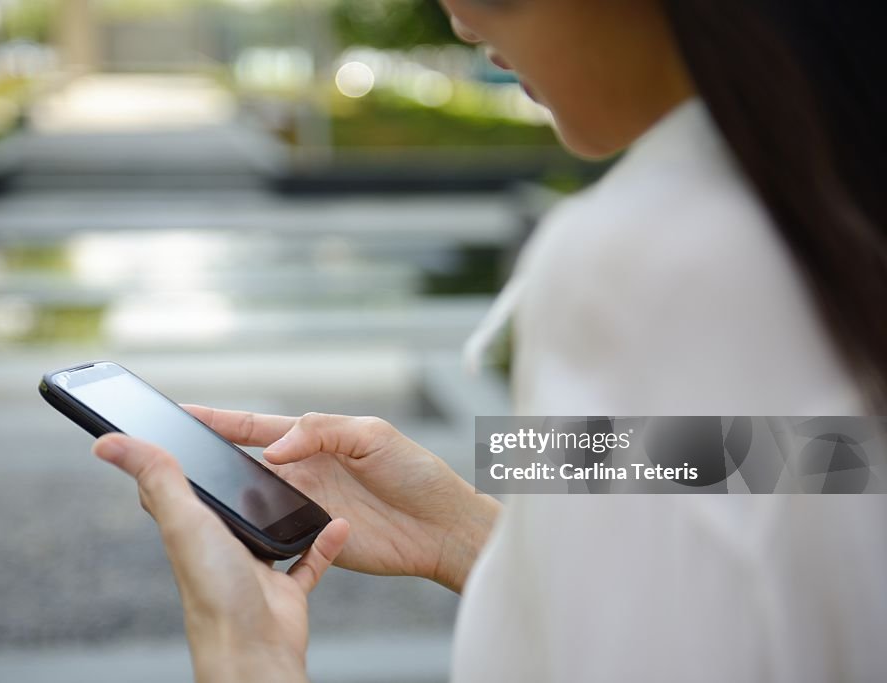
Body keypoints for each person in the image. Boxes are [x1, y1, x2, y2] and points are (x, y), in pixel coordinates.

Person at [91, 1, 887, 680]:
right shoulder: (829, 188)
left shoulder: (643, 256)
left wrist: (246, 657)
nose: (461, 19)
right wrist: (469, 531)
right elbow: (830, 468)